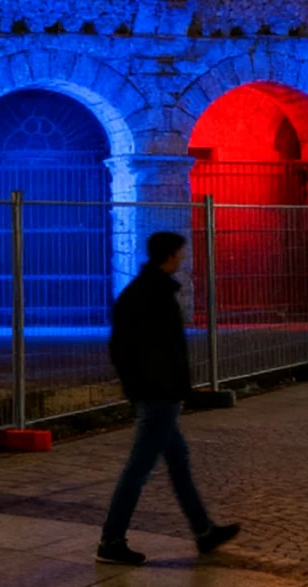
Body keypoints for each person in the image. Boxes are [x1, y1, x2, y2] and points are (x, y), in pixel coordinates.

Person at [97, 231, 240, 566]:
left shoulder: (143, 291)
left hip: (159, 393)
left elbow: (127, 347)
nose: (184, 259)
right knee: (139, 468)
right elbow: (146, 350)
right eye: (181, 253)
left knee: (178, 461)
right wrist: (152, 389)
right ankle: (111, 540)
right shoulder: (153, 294)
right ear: (170, 256)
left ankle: (204, 531)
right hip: (158, 395)